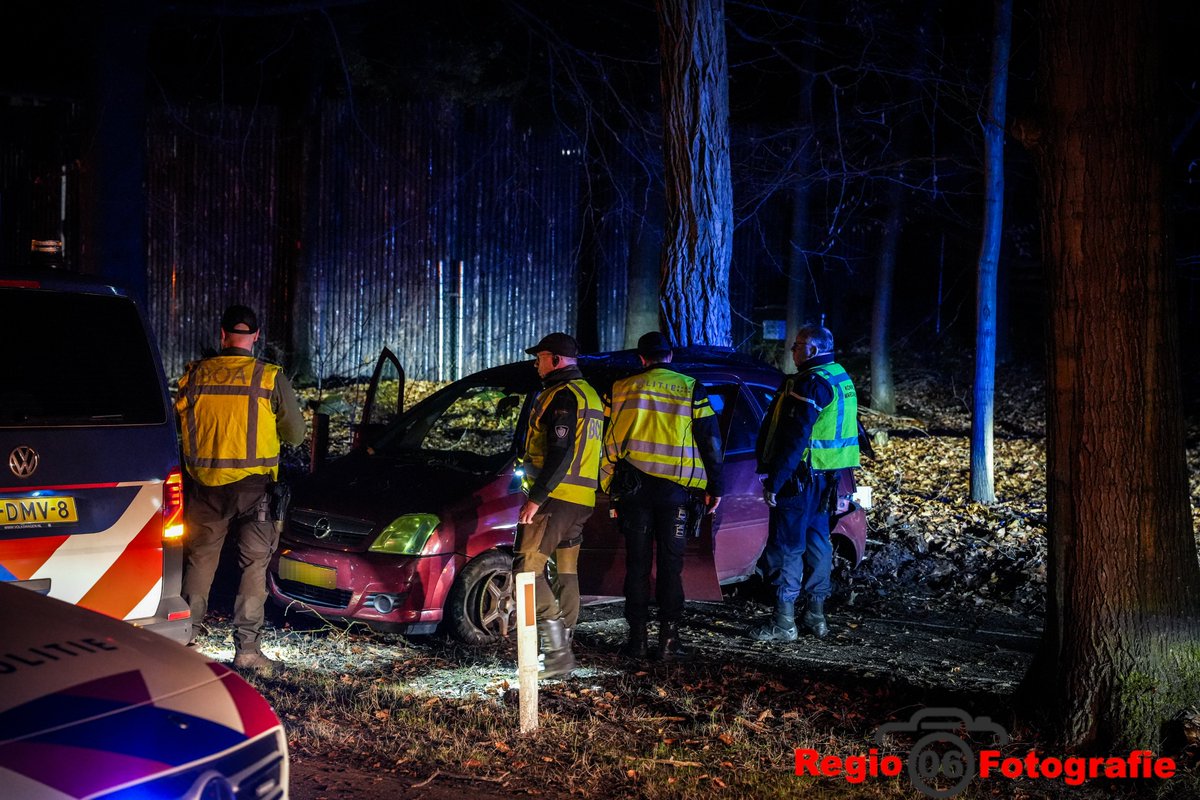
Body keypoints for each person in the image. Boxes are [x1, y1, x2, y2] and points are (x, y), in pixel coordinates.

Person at [176, 304, 306, 674]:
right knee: (254, 566)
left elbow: (179, 421)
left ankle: (186, 641)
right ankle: (247, 650)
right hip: (256, 490)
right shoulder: (268, 377)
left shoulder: (196, 375)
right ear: (256, 336)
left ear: (222, 334)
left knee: (200, 563)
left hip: (205, 487)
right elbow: (295, 433)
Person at [600, 331, 723, 661]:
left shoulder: (619, 388)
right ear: (670, 357)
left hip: (632, 491)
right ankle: (669, 641)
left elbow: (605, 440)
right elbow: (710, 440)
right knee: (671, 566)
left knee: (636, 566)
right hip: (676, 493)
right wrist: (715, 488)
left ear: (641, 359)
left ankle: (636, 640)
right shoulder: (689, 387)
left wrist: (609, 486)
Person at [750, 323, 859, 642]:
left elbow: (795, 436)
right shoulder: (839, 376)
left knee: (788, 547)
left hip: (801, 477)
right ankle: (816, 616)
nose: (792, 351)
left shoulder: (810, 382)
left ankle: (784, 623)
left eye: (796, 345)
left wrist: (776, 480)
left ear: (812, 349)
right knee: (817, 542)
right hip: (827, 477)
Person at [514, 332, 604, 679]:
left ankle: (555, 654)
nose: (536, 364)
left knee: (526, 571)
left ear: (556, 359)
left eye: (540, 357)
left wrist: (535, 499)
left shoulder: (562, 395)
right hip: (582, 500)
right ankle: (562, 648)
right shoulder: (591, 395)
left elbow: (560, 451)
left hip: (556, 499)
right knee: (566, 572)